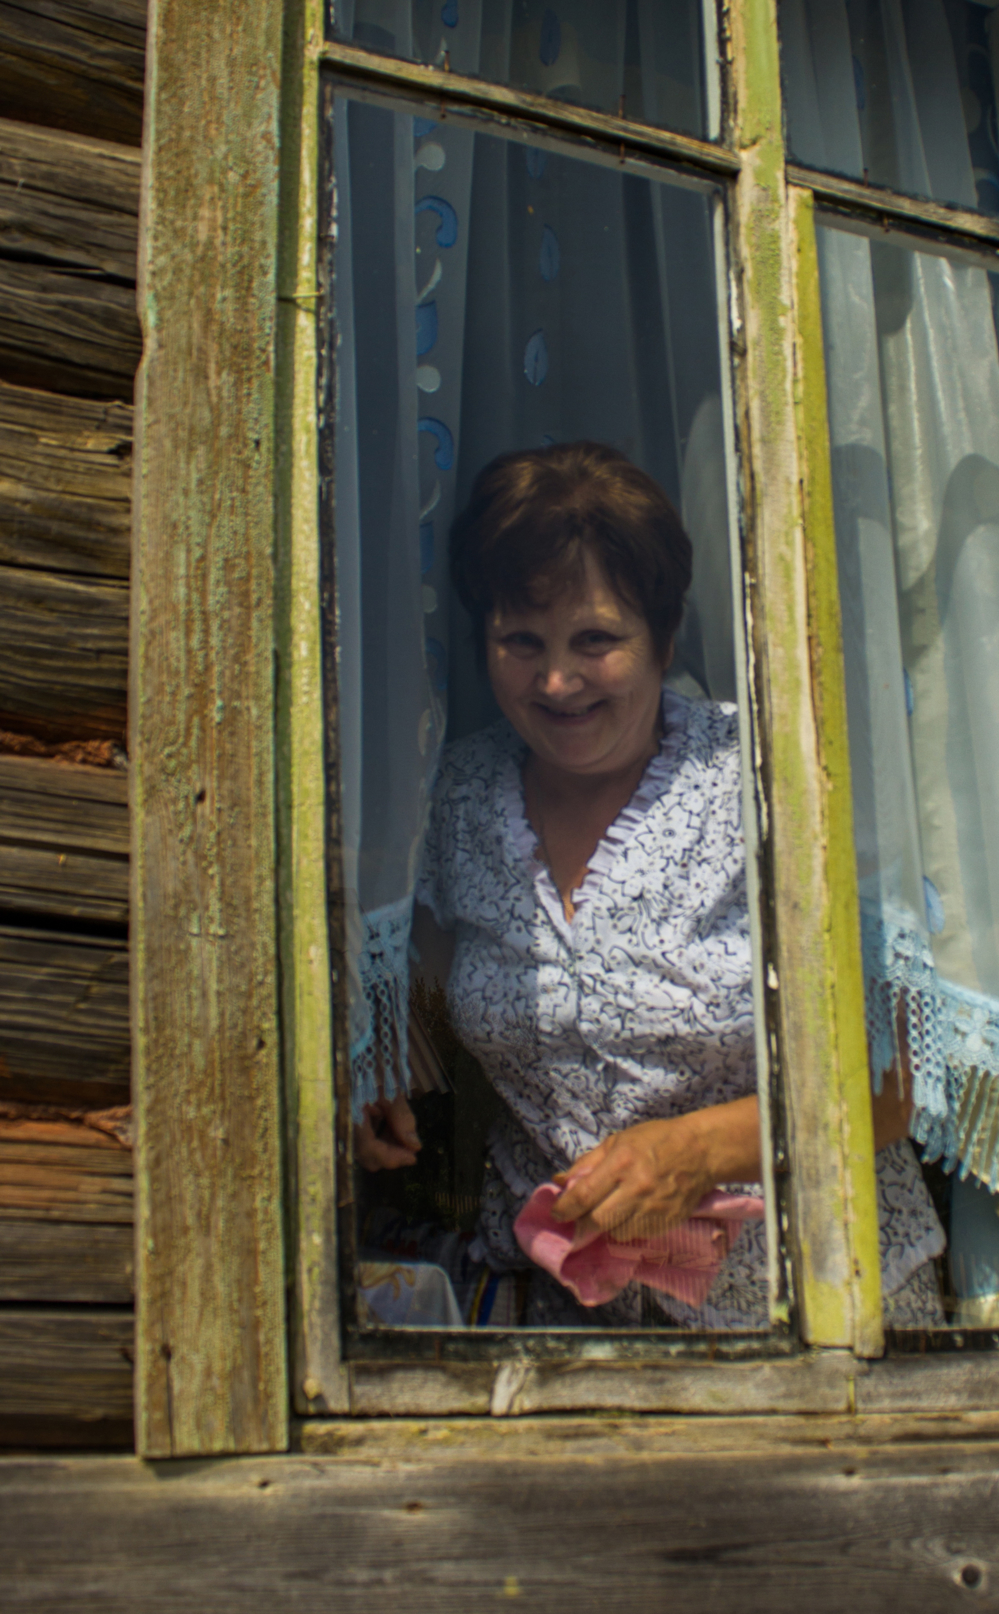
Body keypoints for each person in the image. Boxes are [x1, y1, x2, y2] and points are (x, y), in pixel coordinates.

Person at [357, 440, 945, 1328]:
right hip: (562, 1318)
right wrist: (372, 1060)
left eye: (596, 640)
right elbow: (414, 967)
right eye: (522, 641)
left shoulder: (771, 776)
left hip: (815, 1312)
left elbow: (899, 1073)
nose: (557, 681)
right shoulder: (457, 799)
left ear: (665, 638)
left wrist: (699, 1148)